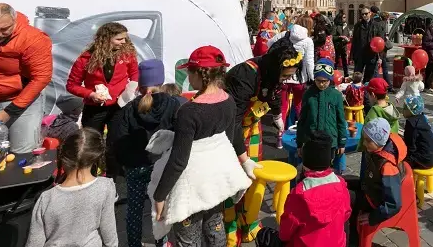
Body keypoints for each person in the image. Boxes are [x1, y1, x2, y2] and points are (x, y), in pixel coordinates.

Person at [149, 46, 252, 247]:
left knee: (188, 235)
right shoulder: (229, 101)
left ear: (200, 74)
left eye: (189, 71)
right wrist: (245, 160)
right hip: (216, 181)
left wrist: (160, 195)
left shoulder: (188, 111)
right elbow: (231, 139)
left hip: (191, 185)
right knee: (215, 224)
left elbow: (179, 161)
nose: (188, 75)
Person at [224, 40, 301, 244]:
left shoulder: (271, 75)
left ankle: (248, 222)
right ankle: (230, 227)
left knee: (253, 178)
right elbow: (233, 122)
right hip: (231, 131)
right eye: (284, 76)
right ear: (275, 68)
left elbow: (273, 91)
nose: (286, 80)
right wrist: (243, 158)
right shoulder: (245, 75)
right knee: (232, 181)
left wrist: (277, 115)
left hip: (253, 127)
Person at [108, 59, 180, 247]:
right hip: (162, 165)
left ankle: (133, 244)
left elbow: (117, 139)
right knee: (160, 208)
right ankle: (162, 243)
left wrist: (125, 163)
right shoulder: (174, 104)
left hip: (135, 166)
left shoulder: (129, 108)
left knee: (134, 209)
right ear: (161, 82)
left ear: (139, 85)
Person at [66, 22, 139, 177]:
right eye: (119, 39)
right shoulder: (85, 58)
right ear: (106, 38)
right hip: (94, 108)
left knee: (115, 144)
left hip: (119, 107)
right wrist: (90, 94)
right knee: (91, 145)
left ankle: (114, 179)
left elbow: (135, 75)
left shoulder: (128, 54)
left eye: (125, 38)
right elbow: (72, 85)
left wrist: (130, 91)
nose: (124, 42)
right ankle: (89, 177)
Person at [255, 131, 351, 247]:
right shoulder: (340, 183)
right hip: (337, 243)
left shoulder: (300, 193)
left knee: (264, 236)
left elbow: (286, 232)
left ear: (305, 162)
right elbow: (346, 214)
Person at [26, 128, 119, 247]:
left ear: (63, 156)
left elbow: (34, 243)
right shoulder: (106, 187)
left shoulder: (46, 198)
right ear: (96, 158)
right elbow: (110, 236)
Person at [0, 3, 52, 153]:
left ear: (14, 22)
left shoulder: (33, 38)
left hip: (19, 97)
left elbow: (41, 77)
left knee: (22, 150)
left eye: (4, 29)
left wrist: (8, 112)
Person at [347, 118, 408, 245]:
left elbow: (394, 204)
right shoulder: (377, 149)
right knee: (343, 180)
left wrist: (373, 217)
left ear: (380, 142)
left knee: (345, 197)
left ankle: (352, 240)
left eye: (368, 140)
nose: (364, 142)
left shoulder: (388, 166)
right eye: (364, 138)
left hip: (375, 201)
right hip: (371, 188)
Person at [268, 17, 314, 143]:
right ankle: (301, 133)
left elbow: (269, 44)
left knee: (282, 107)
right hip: (300, 79)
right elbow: (309, 62)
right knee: (299, 105)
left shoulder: (284, 34)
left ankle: (280, 136)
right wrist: (312, 78)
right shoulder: (308, 41)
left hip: (283, 76)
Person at [297, 58, 347, 164]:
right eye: (318, 80)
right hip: (311, 139)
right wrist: (299, 143)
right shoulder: (308, 94)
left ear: (330, 79)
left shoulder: (336, 95)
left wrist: (342, 142)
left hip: (330, 141)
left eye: (325, 81)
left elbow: (341, 120)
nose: (321, 84)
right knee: (310, 166)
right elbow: (302, 119)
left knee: (327, 167)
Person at [402, 95, 433, 170]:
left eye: (405, 108)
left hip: (424, 160)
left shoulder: (411, 124)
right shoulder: (422, 118)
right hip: (431, 157)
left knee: (398, 161)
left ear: (412, 111)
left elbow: (410, 146)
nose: (403, 110)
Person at [351, 7, 382, 84]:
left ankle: (366, 93)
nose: (364, 15)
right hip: (360, 54)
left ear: (370, 13)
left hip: (371, 54)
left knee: (369, 77)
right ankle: (356, 92)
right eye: (362, 14)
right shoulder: (357, 25)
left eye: (366, 13)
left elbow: (380, 41)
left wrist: (380, 57)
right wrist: (352, 55)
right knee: (357, 76)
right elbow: (354, 41)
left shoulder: (376, 25)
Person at [332, 12, 352, 76]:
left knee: (344, 61)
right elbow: (333, 37)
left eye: (345, 17)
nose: (345, 18)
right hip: (337, 46)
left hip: (344, 46)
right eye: (343, 17)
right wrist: (340, 37)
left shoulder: (346, 26)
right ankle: (334, 74)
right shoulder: (336, 26)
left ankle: (346, 75)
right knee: (336, 61)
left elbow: (348, 35)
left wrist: (347, 39)